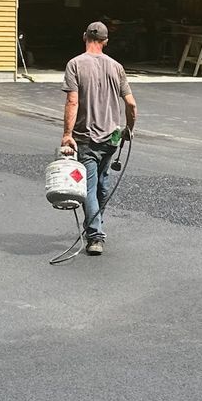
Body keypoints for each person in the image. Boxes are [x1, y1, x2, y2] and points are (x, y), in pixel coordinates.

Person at [60, 21, 138, 256]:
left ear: (84, 37)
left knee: (89, 187)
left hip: (86, 137)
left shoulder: (75, 64)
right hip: (112, 137)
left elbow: (72, 101)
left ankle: (95, 236)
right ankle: (96, 223)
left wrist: (66, 135)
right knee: (103, 182)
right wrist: (129, 129)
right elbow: (131, 104)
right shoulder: (116, 67)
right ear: (105, 41)